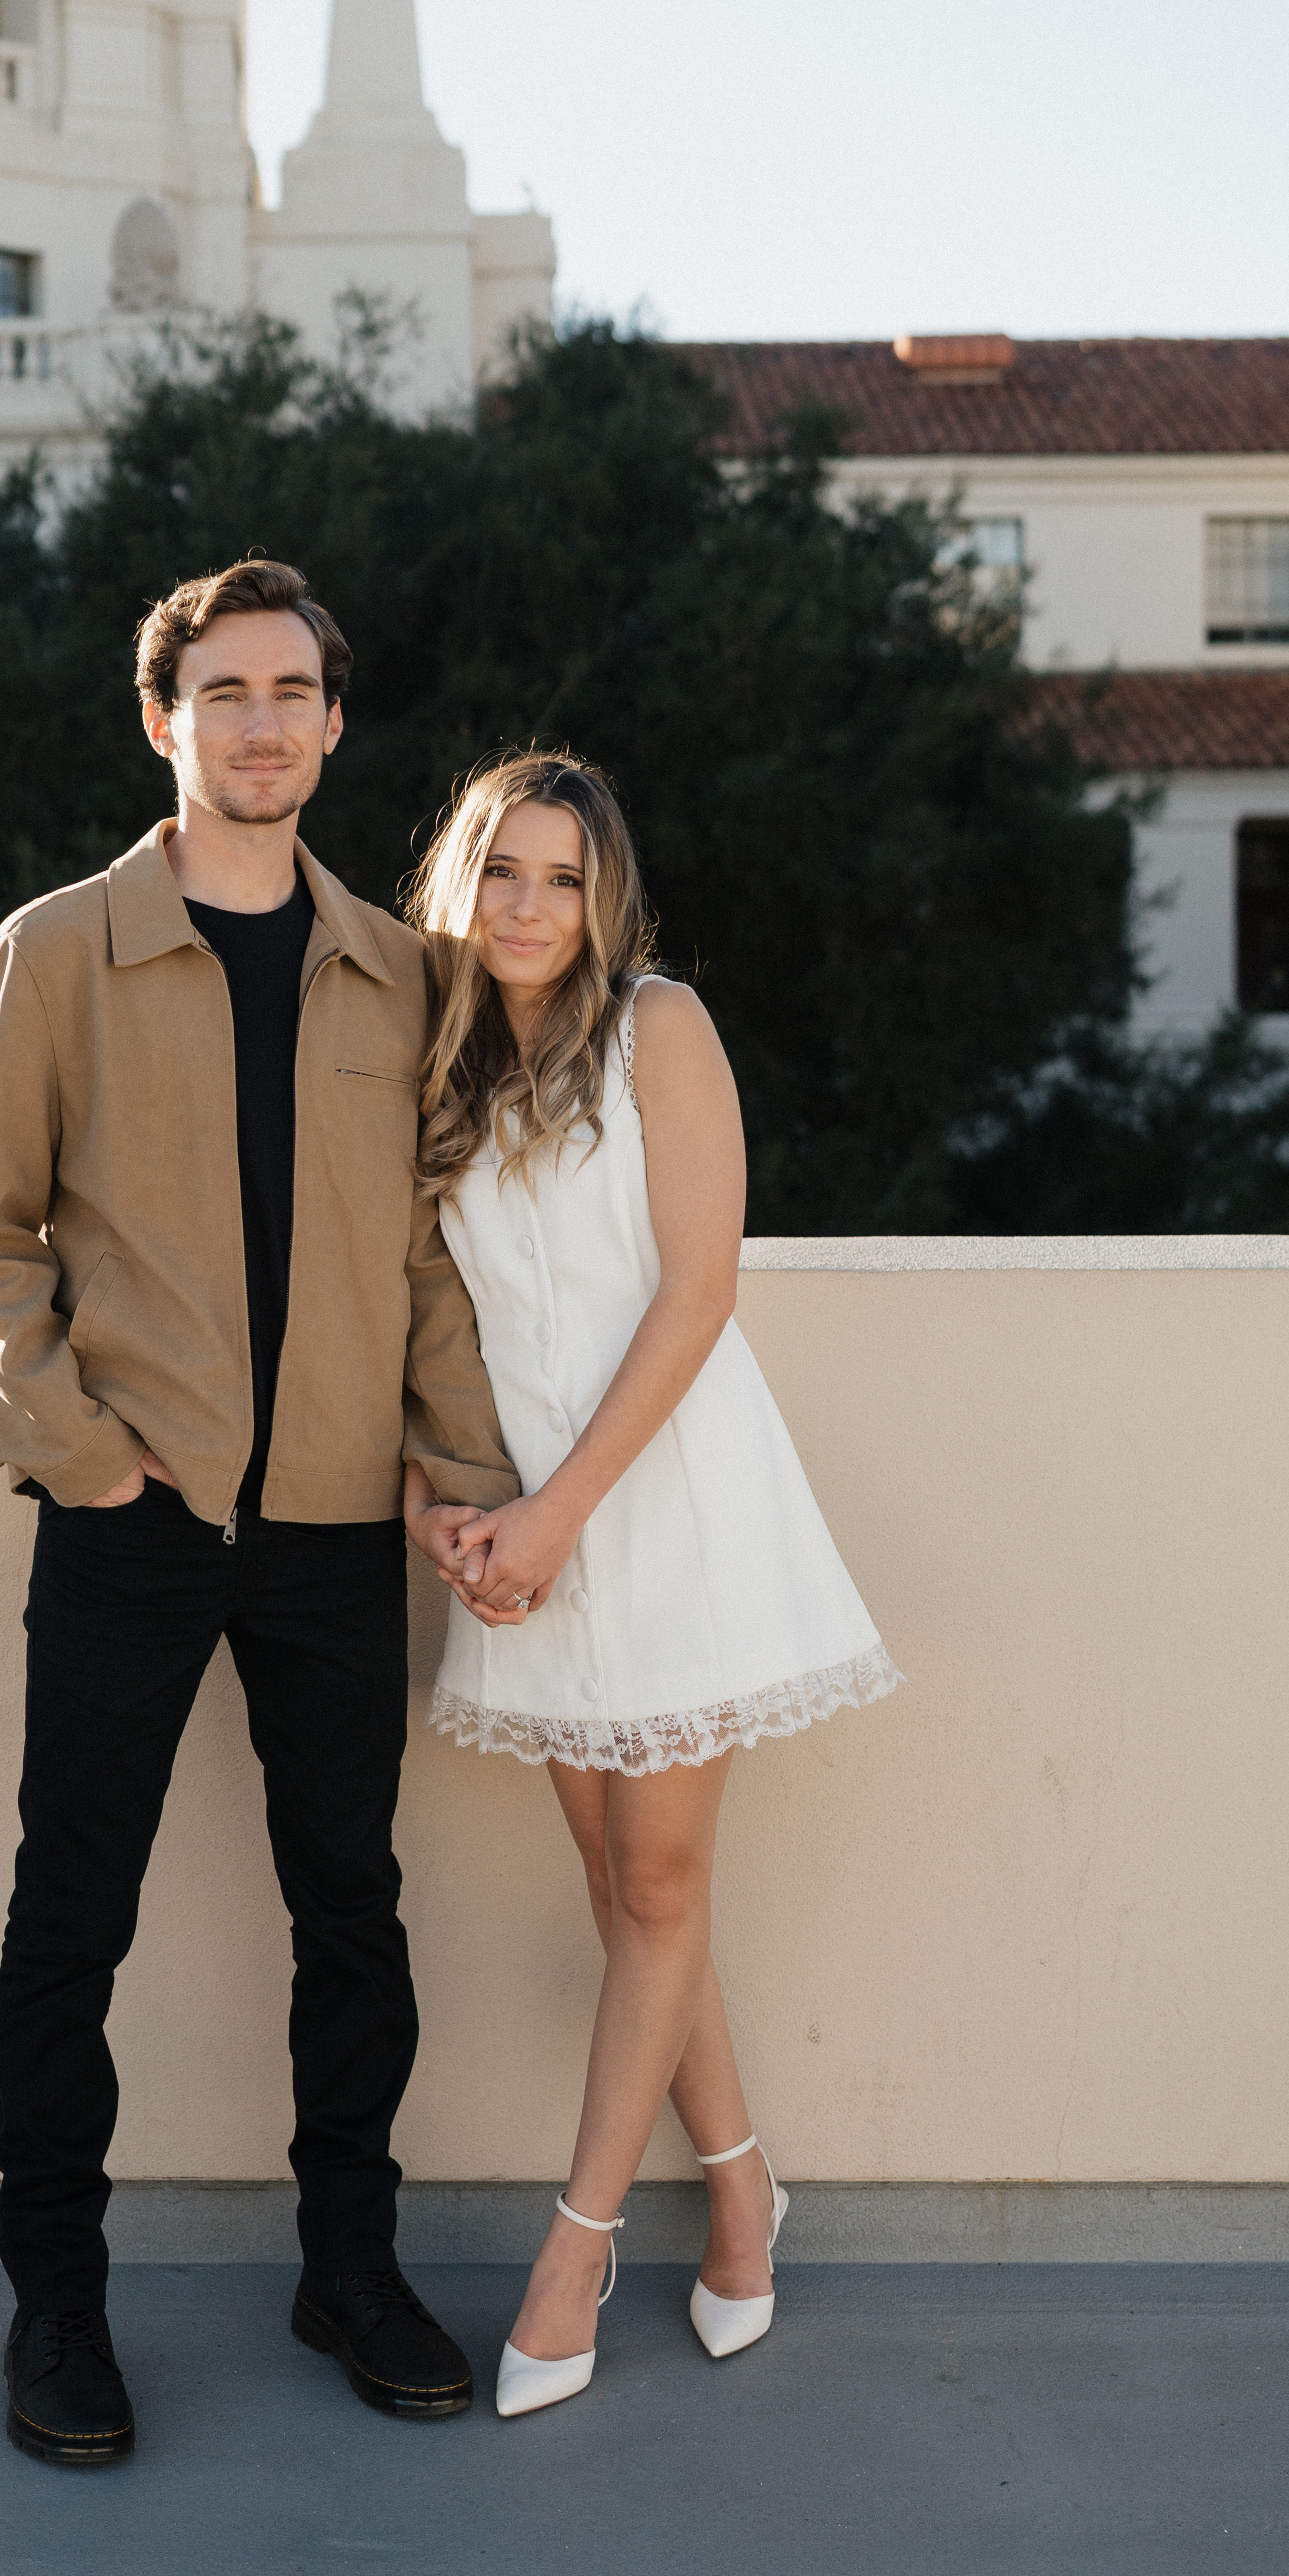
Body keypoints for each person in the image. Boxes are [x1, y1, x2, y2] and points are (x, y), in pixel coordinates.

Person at [0, 558, 519, 2468]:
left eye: (291, 692)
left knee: (352, 1908)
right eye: (223, 693)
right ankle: (56, 2306)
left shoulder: (400, 972)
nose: (259, 724)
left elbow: (424, 1262)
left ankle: (352, 2268)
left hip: (337, 1526)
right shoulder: (58, 951)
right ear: (160, 719)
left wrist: (467, 1480)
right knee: (69, 1917)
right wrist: (87, 1455)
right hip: (130, 1516)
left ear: (335, 726)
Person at [405, 752, 899, 2421]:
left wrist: (561, 1515)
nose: (529, 905)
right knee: (625, 1897)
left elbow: (697, 1291)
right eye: (502, 870)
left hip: (669, 1500)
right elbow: (422, 1311)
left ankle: (577, 2248)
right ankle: (744, 2186)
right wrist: (441, 1499)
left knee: (663, 1882)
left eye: (562, 877)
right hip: (518, 1524)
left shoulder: (656, 1028)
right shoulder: (436, 1059)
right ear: (460, 883)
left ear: (602, 899)